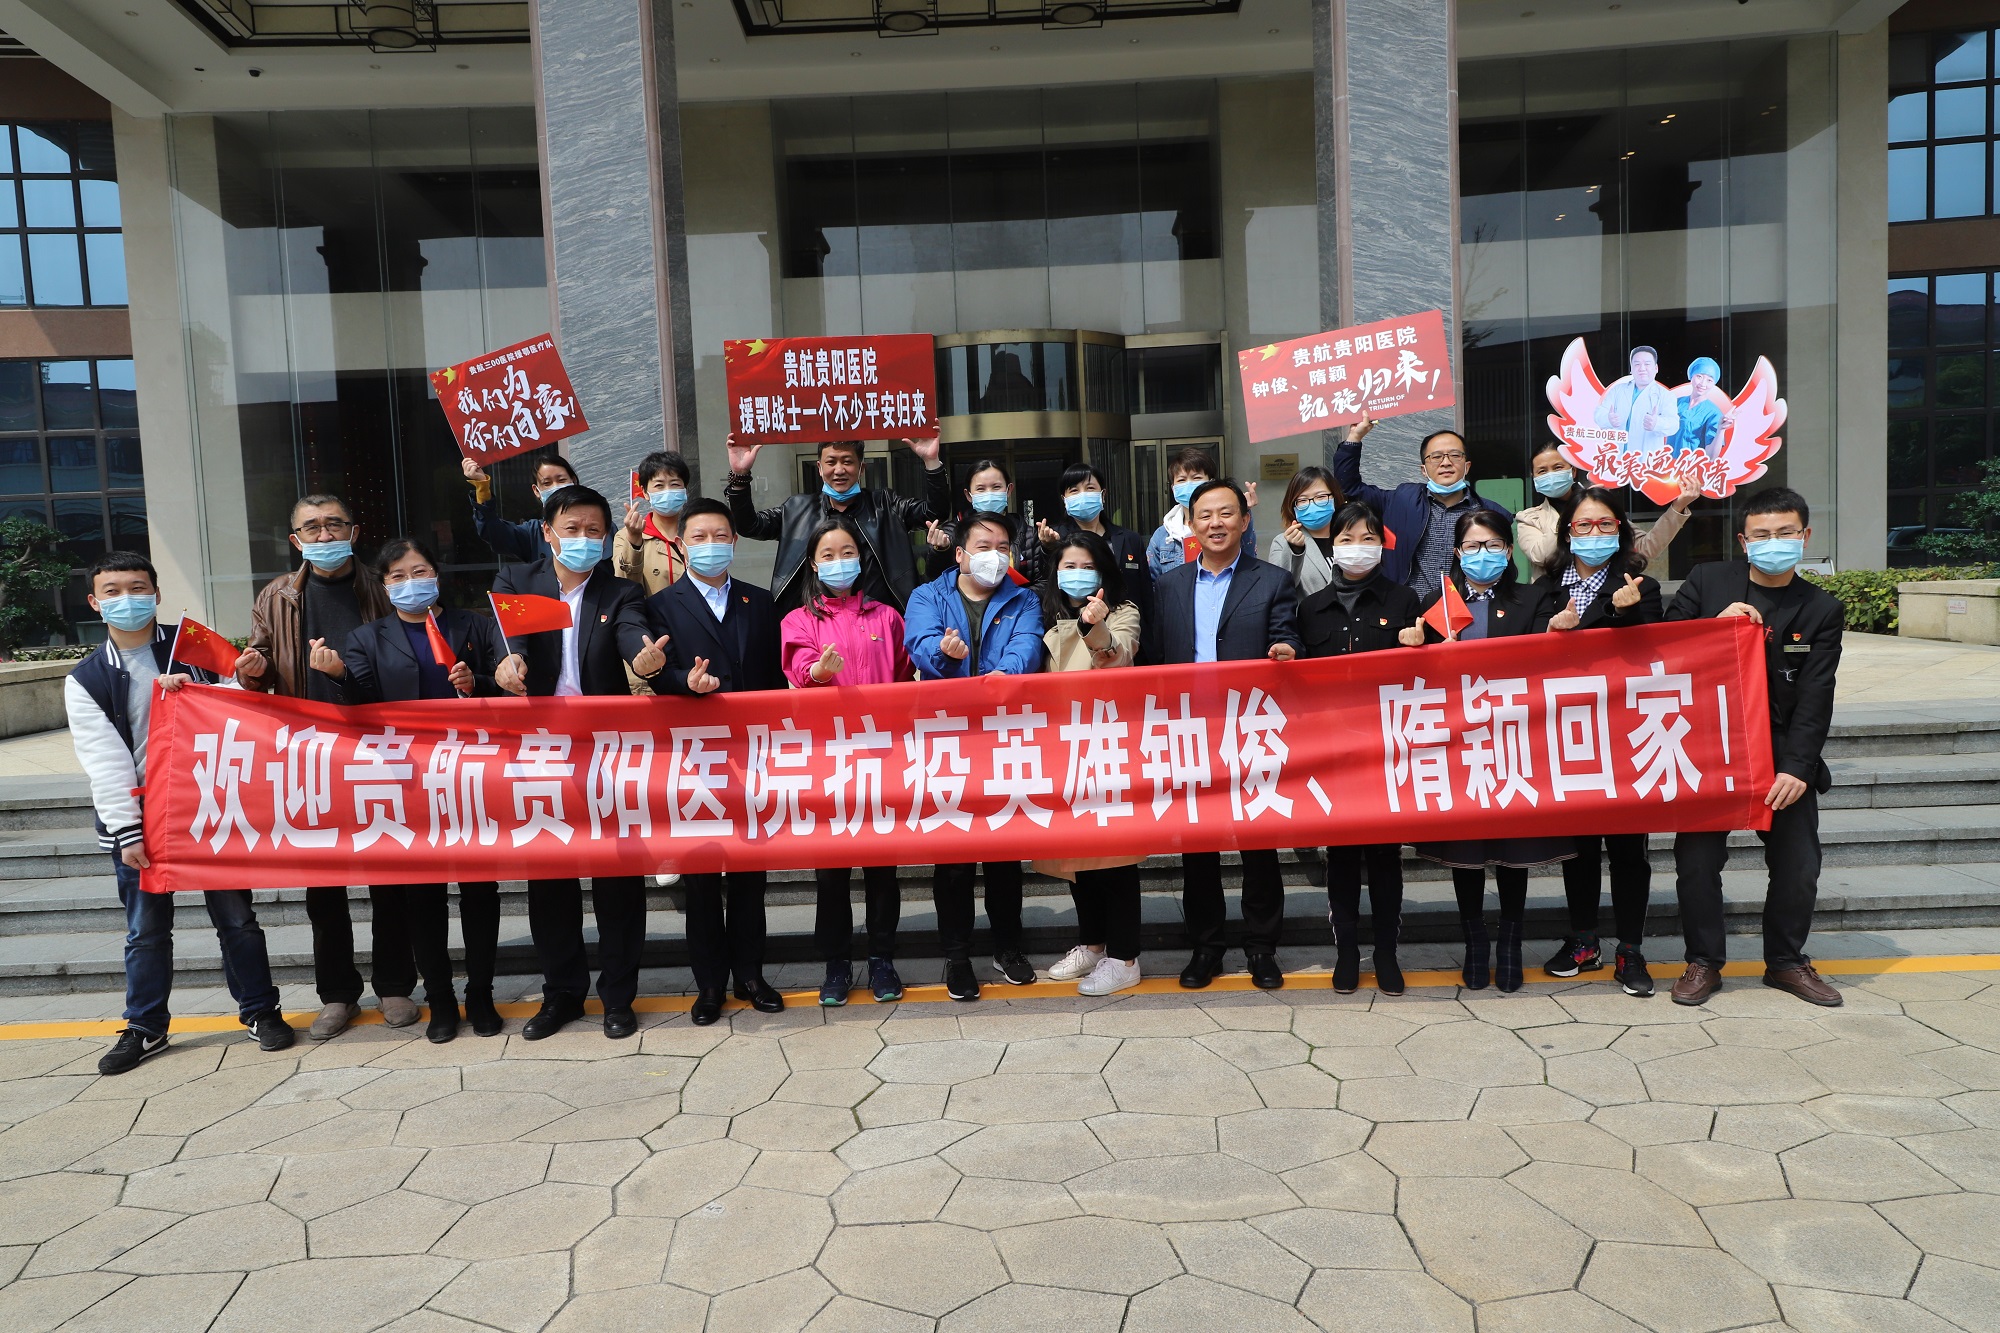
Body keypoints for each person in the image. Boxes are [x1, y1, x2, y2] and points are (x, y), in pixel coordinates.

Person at [73, 553, 294, 1074]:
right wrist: (128, 831)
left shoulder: (191, 645)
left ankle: (261, 1011)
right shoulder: (88, 677)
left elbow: (238, 707)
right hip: (141, 817)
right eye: (112, 591)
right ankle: (145, 1026)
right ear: (94, 603)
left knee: (238, 920)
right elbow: (104, 761)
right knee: (146, 930)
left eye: (137, 588)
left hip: (208, 807)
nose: (126, 599)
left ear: (156, 593)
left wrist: (225, 684)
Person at [492, 483, 671, 1040]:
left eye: (595, 530)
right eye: (572, 529)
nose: (584, 539)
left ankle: (618, 997)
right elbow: (508, 640)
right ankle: (562, 995)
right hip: (541, 751)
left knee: (618, 881)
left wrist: (643, 657)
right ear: (548, 532)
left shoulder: (620, 591)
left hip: (604, 752)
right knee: (551, 882)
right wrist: (507, 666)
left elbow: (632, 634)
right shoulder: (517, 581)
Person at [314, 538, 510, 1042]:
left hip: (470, 777)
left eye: (419, 571)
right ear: (384, 586)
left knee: (480, 892)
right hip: (406, 782)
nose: (410, 583)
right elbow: (360, 703)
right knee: (422, 897)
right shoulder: (367, 637)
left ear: (437, 574)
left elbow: (507, 683)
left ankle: (481, 994)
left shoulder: (473, 625)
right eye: (397, 576)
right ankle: (440, 998)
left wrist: (478, 682)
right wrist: (337, 674)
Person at [1667, 486, 1843, 1009]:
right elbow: (1662, 648)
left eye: (1785, 533)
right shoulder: (1707, 581)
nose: (1774, 542)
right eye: (1762, 535)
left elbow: (1817, 696)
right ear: (1744, 542)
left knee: (1799, 865)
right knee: (1697, 863)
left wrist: (1798, 767)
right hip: (1710, 747)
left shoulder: (1821, 609)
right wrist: (1711, 630)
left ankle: (1786, 962)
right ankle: (1703, 961)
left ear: (1805, 536)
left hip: (1781, 751)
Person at [236, 492, 400, 1041]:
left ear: (354, 532)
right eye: (313, 527)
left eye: (335, 525)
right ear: (295, 539)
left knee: (390, 877)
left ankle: (395, 985)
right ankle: (337, 995)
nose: (325, 535)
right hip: (308, 754)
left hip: (378, 749)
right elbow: (260, 662)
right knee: (323, 888)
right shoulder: (277, 595)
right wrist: (251, 669)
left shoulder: (382, 585)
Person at [1146, 479, 1300, 991]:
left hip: (1250, 727)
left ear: (1244, 520)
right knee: (1198, 849)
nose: (1216, 523)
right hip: (1190, 730)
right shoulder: (1169, 585)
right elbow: (1154, 659)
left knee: (1259, 846)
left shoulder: (1273, 580)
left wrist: (1285, 649)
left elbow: (1287, 634)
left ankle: (1262, 948)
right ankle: (1206, 948)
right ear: (1191, 524)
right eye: (1205, 515)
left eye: (1226, 513)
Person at [1404, 511, 1563, 992]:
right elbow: (1419, 678)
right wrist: (1417, 645)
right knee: (1466, 849)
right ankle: (1475, 942)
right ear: (1457, 553)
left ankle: (1510, 942)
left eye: (1493, 545)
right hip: (1460, 744)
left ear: (1508, 551)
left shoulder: (1532, 598)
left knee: (1514, 849)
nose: (1482, 555)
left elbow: (1546, 662)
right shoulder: (1438, 602)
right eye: (1472, 547)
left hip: (1515, 739)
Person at [646, 498, 787, 1027]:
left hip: (751, 755)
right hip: (694, 758)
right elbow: (656, 672)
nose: (711, 545)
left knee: (751, 875)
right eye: (699, 537)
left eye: (720, 536)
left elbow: (772, 676)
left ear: (735, 541)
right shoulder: (661, 605)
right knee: (701, 878)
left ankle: (751, 975)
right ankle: (709, 985)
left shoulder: (759, 600)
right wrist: (685, 682)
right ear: (681, 545)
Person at [905, 512, 1046, 1001]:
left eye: (1003, 547)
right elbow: (920, 645)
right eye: (984, 547)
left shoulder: (1024, 597)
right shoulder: (928, 595)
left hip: (1004, 738)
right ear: (961, 554)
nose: (995, 556)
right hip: (948, 740)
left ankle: (1008, 947)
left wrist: (999, 680)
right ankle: (957, 954)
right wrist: (945, 656)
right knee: (954, 857)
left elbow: (1027, 647)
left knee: (1004, 853)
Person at [781, 516, 914, 1009]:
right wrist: (817, 672)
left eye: (847, 553)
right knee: (831, 872)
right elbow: (799, 668)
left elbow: (906, 678)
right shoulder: (799, 620)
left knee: (882, 869)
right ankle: (836, 962)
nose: (839, 562)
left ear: (861, 558)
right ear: (813, 565)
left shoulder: (888, 617)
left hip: (881, 757)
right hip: (828, 759)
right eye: (828, 555)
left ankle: (882, 958)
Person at [1535, 486, 1664, 995]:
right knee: (1581, 849)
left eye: (1605, 524)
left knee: (1629, 851)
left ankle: (1630, 949)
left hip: (1624, 735)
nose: (1595, 533)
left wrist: (1621, 612)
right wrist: (1551, 633)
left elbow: (1652, 653)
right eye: (1584, 525)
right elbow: (1524, 657)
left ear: (1621, 530)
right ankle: (1584, 941)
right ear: (1568, 532)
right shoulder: (1544, 589)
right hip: (1568, 734)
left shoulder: (1640, 585)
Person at [1296, 503, 1416, 995]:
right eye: (1346, 539)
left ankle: (1386, 953)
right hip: (1332, 753)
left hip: (1387, 748)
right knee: (1341, 857)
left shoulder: (1404, 600)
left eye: (1367, 538)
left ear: (1382, 544)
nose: (1357, 548)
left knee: (1385, 858)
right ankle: (1346, 951)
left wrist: (1419, 647)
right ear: (1332, 546)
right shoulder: (1311, 607)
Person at [1034, 530, 1146, 997]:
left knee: (1114, 856)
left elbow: (1117, 655)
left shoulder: (1122, 611)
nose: (1077, 575)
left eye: (1087, 566)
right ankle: (1094, 944)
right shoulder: (1043, 612)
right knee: (1076, 856)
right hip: (1059, 749)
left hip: (1107, 747)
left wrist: (1094, 626)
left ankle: (1125, 957)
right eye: (1069, 566)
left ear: (1104, 571)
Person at [725, 432, 950, 615]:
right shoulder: (796, 510)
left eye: (848, 462)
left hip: (882, 625)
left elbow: (934, 512)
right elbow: (750, 525)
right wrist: (740, 476)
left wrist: (931, 462)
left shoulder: (887, 505)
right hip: (816, 626)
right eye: (831, 462)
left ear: (861, 468)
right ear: (819, 468)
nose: (839, 470)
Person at [1334, 419, 1513, 600]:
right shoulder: (1401, 500)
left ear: (1467, 466)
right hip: (1408, 607)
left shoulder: (1491, 513)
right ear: (1423, 470)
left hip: (1468, 608)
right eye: (1436, 457)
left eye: (1455, 455)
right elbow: (1350, 488)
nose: (1446, 462)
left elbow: (1506, 571)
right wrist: (1355, 437)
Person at [1515, 440, 1696, 580]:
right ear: (1533, 477)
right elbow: (1542, 556)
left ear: (1573, 471)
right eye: (1542, 471)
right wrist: (1578, 508)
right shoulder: (1528, 518)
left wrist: (1678, 507)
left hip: (1608, 595)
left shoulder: (1601, 507)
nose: (1551, 475)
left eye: (1558, 467)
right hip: (1555, 603)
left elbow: (1647, 547)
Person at [1035, 461, 1153, 613]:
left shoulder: (1130, 539)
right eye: (1074, 490)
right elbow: (1047, 584)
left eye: (1090, 488)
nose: (1083, 495)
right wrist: (1048, 548)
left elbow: (1145, 593)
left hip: (1125, 623)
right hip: (1074, 622)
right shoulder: (1057, 538)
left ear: (1103, 495)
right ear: (1064, 499)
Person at [1146, 446, 1260, 580]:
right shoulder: (1162, 536)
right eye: (1181, 480)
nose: (1188, 484)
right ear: (1173, 488)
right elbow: (1152, 581)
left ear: (1211, 482)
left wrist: (1242, 509)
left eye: (1196, 478)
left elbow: (1249, 558)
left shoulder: (1226, 524)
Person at [926, 458, 1045, 585]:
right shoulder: (952, 532)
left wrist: (1017, 597)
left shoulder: (1029, 534)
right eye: (981, 489)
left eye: (996, 487)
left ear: (1009, 490)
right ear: (968, 495)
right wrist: (941, 551)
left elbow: (1042, 582)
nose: (989, 494)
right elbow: (937, 578)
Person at [462, 450, 580, 562]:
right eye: (547, 483)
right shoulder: (534, 533)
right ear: (536, 491)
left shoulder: (590, 521)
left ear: (573, 481)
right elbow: (494, 532)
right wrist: (482, 486)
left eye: (561, 480)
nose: (555, 487)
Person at [614, 449, 692, 596]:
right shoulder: (625, 536)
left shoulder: (699, 533)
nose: (667, 491)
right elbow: (624, 585)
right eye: (659, 485)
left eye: (675, 484)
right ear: (645, 493)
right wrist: (634, 541)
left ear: (685, 489)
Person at [1265, 466, 1346, 598]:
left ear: (1335, 498)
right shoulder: (1282, 543)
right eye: (1302, 500)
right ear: (1293, 506)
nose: (1312, 504)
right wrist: (1295, 550)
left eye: (1321, 497)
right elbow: (1279, 588)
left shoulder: (1352, 538)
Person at [1594, 345, 1680, 457]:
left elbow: (1674, 424)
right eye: (1637, 364)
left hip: (1646, 460)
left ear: (1656, 368)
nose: (1642, 368)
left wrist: (1657, 423)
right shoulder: (1617, 390)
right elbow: (1599, 413)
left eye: (1647, 364)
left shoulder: (1666, 395)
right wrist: (1608, 419)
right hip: (1617, 457)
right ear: (1631, 369)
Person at [1671, 357, 1730, 458]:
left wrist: (1721, 429)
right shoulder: (1675, 403)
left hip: (1692, 466)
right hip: (1667, 464)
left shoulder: (1713, 413)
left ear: (1714, 384)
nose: (1703, 384)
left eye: (1709, 380)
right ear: (1691, 376)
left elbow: (1711, 456)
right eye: (1699, 376)